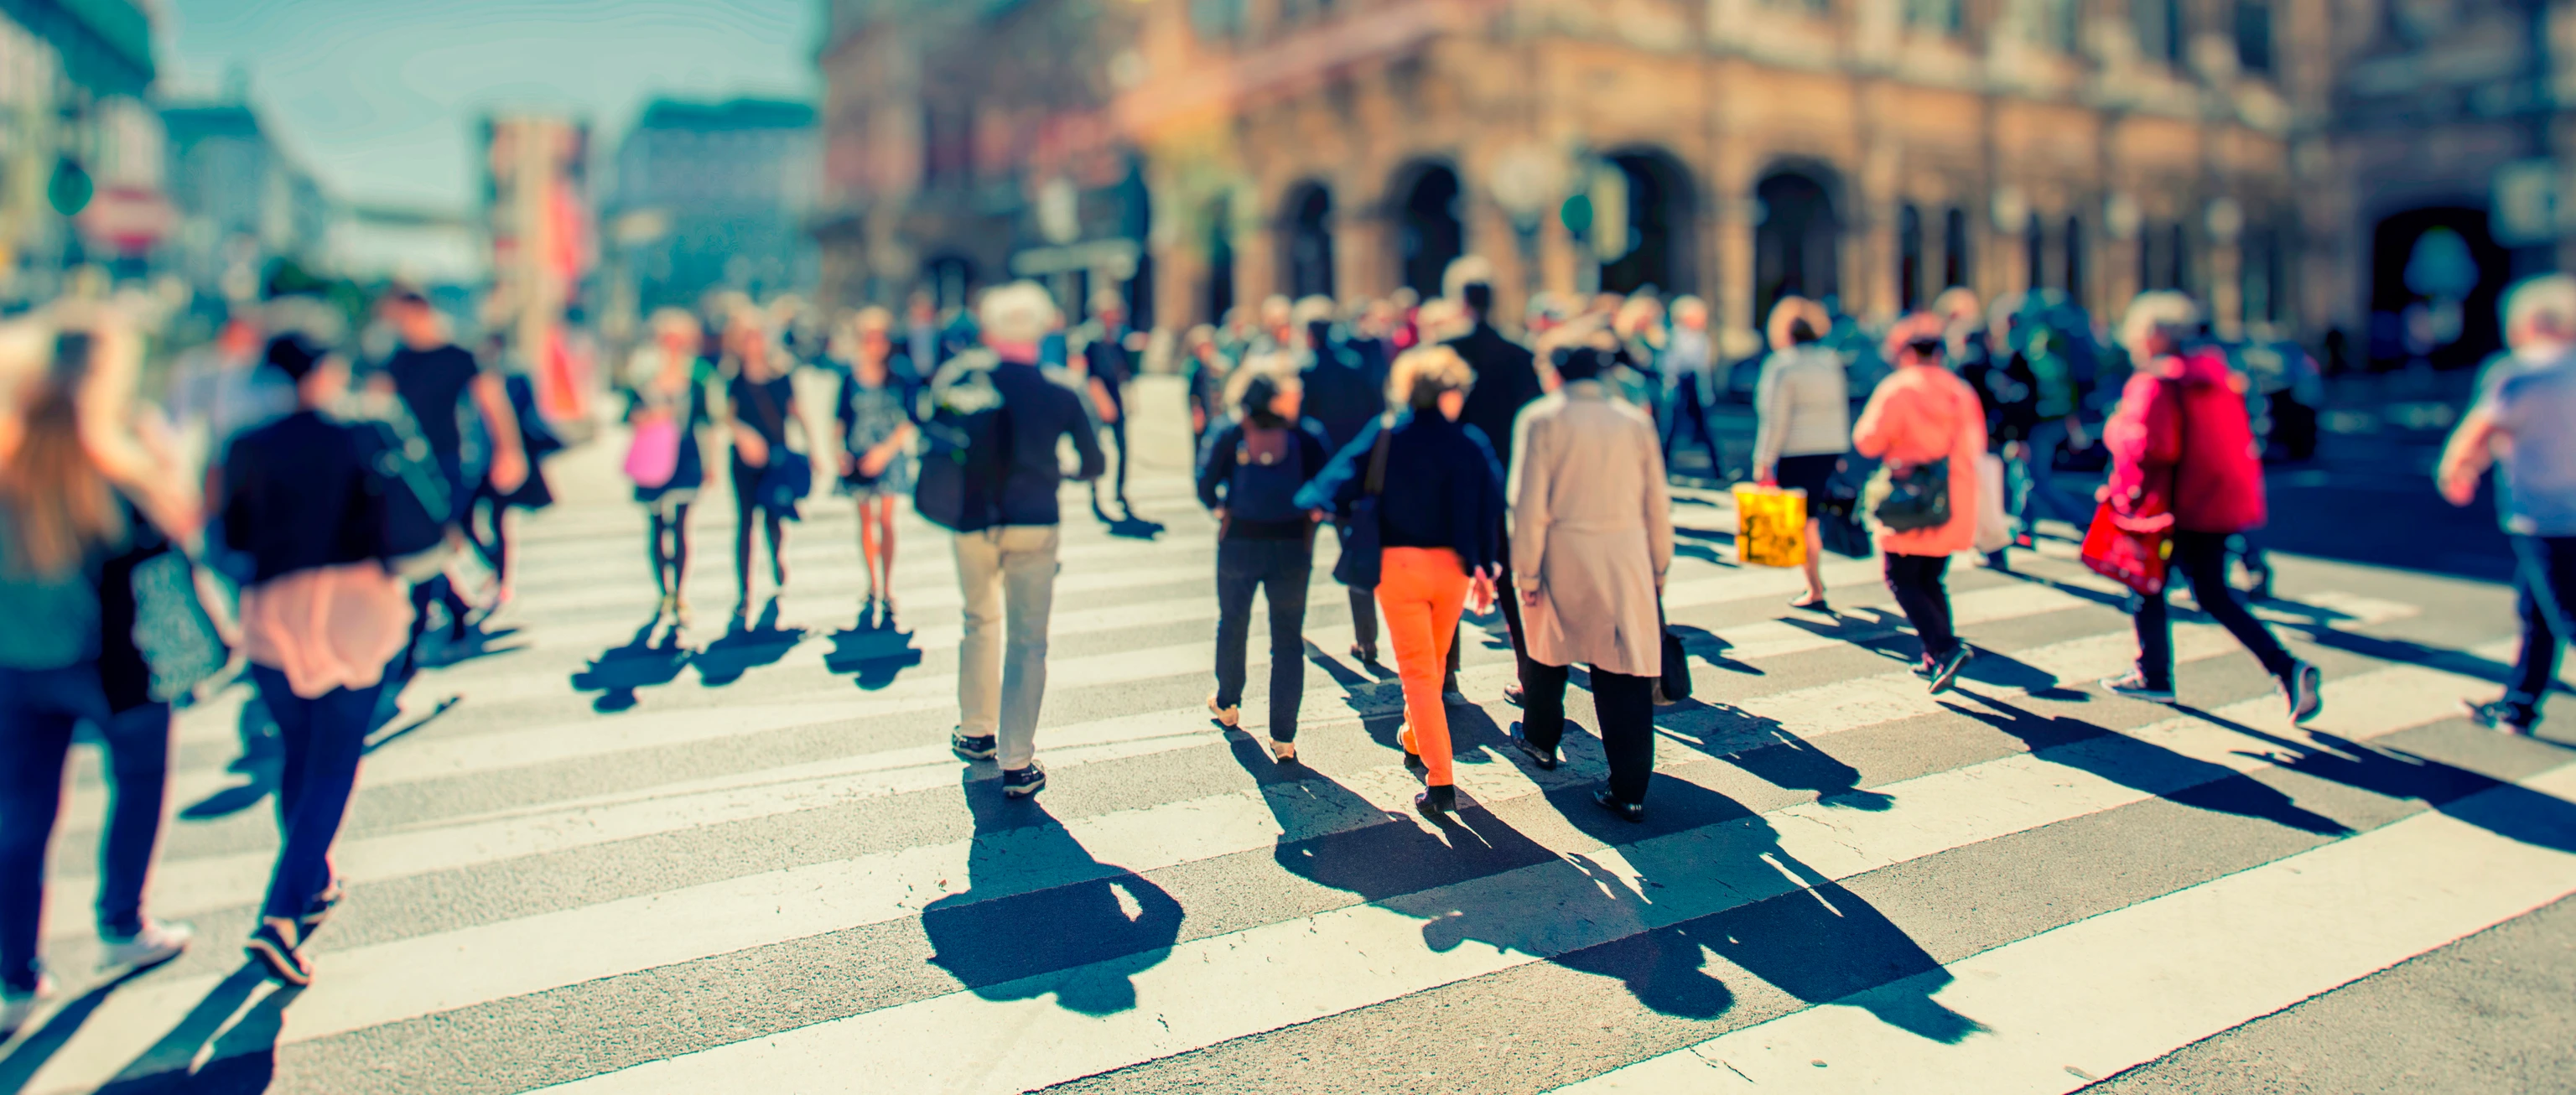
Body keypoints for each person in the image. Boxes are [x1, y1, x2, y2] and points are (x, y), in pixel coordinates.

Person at [0, 316, 196, 1035]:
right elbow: (177, 544)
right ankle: (121, 926)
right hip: (113, 668)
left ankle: (15, 978)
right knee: (139, 783)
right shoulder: (115, 468)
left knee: (19, 821)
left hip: (15, 670)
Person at [219, 332, 421, 985]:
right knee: (335, 761)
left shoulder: (246, 444)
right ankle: (279, 915)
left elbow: (228, 537)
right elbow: (420, 510)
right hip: (355, 606)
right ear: (328, 368)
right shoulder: (366, 426)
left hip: (273, 611)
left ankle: (314, 877)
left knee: (299, 752)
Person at [1301, 345, 1506, 817]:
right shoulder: (1469, 441)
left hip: (1399, 568)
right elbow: (1492, 506)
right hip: (1452, 569)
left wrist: (1309, 507)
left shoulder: (1387, 434)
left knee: (1417, 671)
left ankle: (1441, 780)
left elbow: (1334, 483)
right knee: (1430, 667)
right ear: (1450, 393)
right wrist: (1484, 565)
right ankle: (1418, 744)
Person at [2096, 293, 2322, 721]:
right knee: (2211, 593)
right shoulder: (2215, 373)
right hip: (2215, 501)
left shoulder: (2158, 381)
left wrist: (2116, 431)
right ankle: (2287, 668)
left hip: (2173, 504)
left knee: (2147, 585)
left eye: (2138, 331)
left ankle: (2154, 676)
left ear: (2157, 334)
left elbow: (2154, 447)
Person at [939, 283, 1106, 798]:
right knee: (1028, 641)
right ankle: (1017, 761)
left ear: (989, 329)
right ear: (1043, 328)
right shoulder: (1062, 388)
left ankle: (975, 731)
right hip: (1035, 518)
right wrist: (1064, 473)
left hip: (972, 520)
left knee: (978, 620)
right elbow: (1095, 461)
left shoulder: (962, 377)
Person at [1506, 335, 1675, 823]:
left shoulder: (1541, 418)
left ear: (1555, 371)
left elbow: (1528, 503)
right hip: (1624, 554)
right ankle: (1630, 788)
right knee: (1622, 669)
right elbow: (1656, 502)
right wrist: (1659, 566)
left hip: (1562, 549)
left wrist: (1527, 570)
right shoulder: (1634, 420)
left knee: (1547, 651)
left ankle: (1541, 739)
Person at [2440, 274, 2576, 734]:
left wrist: (2456, 469)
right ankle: (2519, 705)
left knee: (2566, 617)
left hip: (2546, 518)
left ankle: (2519, 704)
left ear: (2525, 324)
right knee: (2536, 611)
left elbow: (2479, 431)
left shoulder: (2518, 372)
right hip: (2559, 517)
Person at [374, 290, 525, 659]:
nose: (398, 325)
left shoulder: (459, 354)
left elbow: (493, 403)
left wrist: (510, 450)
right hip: (411, 466)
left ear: (422, 311)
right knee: (434, 541)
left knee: (443, 537)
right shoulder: (396, 360)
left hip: (453, 461)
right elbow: (376, 405)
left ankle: (427, 625)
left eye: (402, 317)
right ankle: (455, 611)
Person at [1197, 367, 1333, 760]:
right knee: (1288, 639)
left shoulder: (1229, 430)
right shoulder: (1305, 433)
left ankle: (1227, 702)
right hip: (1292, 545)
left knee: (1233, 620)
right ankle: (1284, 737)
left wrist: (1222, 507)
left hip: (1239, 541)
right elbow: (1326, 483)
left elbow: (1205, 484)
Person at [1852, 313, 1987, 693]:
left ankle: (1944, 649)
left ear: (1908, 352)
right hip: (1952, 499)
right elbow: (1976, 444)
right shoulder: (1960, 391)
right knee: (1930, 577)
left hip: (1908, 502)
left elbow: (1867, 440)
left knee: (1899, 576)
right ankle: (1935, 654)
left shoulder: (1899, 388)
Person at [1444, 279, 1545, 706]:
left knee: (1449, 576)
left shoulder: (1447, 350)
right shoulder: (1519, 353)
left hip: (1456, 477)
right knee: (1510, 583)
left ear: (1462, 302)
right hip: (1505, 476)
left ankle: (1445, 674)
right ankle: (1528, 670)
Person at [1298, 300, 1391, 665]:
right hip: (1354, 478)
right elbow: (1377, 417)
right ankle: (1366, 639)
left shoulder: (1306, 371)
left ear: (1309, 335)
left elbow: (1301, 428)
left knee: (1301, 555)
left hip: (1317, 479)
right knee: (1356, 552)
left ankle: (1292, 623)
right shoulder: (1356, 367)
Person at [1750, 296, 1851, 611]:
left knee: (1804, 523)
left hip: (1796, 451)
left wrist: (1763, 459)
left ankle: (1814, 587)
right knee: (1812, 520)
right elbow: (1840, 407)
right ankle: (1814, 583)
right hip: (1829, 448)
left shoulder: (1782, 364)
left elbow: (1774, 418)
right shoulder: (1830, 360)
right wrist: (1842, 448)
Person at [626, 309, 715, 625]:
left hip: (687, 459)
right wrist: (651, 415)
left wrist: (712, 463)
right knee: (656, 526)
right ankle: (663, 590)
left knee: (681, 528)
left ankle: (679, 593)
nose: (674, 346)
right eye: (668, 340)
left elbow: (707, 423)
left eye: (680, 340)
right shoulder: (642, 377)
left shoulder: (697, 378)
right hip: (654, 461)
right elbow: (628, 416)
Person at [719, 313, 808, 618]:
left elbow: (797, 412)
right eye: (747, 338)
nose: (753, 344)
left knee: (774, 519)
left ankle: (777, 558)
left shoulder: (780, 375)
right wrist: (744, 436)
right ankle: (745, 592)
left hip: (776, 461)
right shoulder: (734, 378)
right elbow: (726, 416)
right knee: (745, 523)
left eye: (757, 337)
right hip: (744, 463)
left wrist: (814, 450)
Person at [834, 307, 920, 620]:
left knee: (886, 520)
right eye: (868, 338)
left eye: (879, 338)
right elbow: (840, 418)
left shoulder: (901, 373)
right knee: (865, 520)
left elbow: (910, 419)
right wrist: (839, 452)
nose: (874, 344)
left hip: (887, 453)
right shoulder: (849, 375)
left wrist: (885, 451)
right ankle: (872, 582)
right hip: (858, 452)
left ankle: (888, 583)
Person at [464, 340, 559, 607]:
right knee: (466, 521)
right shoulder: (468, 380)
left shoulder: (514, 378)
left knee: (498, 521)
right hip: (474, 461)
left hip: (503, 461)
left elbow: (530, 415)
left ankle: (502, 580)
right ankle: (495, 567)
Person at [1659, 295, 1722, 480]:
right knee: (1670, 430)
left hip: (1695, 388)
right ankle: (1662, 466)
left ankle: (1718, 469)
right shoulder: (1673, 337)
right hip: (1679, 388)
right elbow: (1671, 365)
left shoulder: (1702, 338)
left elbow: (1704, 370)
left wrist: (1707, 394)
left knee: (1706, 430)